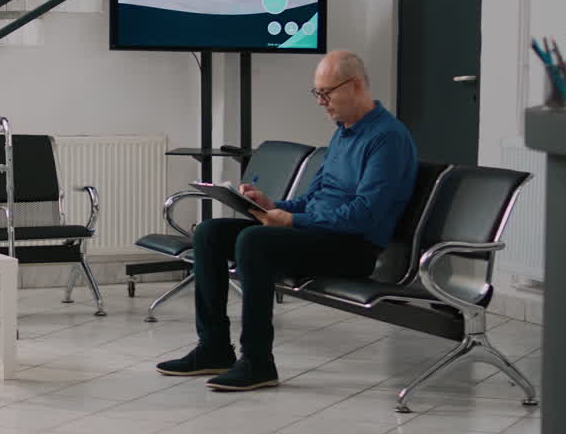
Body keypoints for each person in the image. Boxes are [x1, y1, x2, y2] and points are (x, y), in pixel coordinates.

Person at [156, 51, 418, 391]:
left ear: (354, 86)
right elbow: (314, 197)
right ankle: (214, 348)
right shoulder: (343, 133)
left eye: (327, 92)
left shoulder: (388, 138)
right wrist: (271, 205)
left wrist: (292, 220)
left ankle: (258, 362)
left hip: (354, 247)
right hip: (320, 234)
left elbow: (364, 214)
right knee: (209, 233)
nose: (321, 102)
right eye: (317, 94)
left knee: (254, 242)